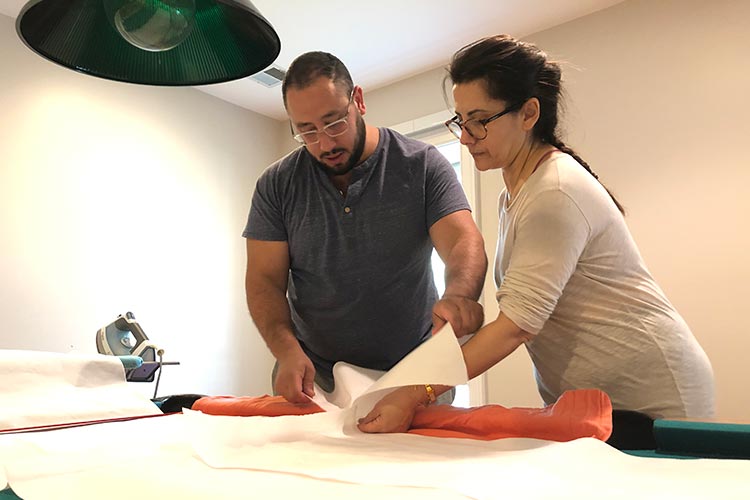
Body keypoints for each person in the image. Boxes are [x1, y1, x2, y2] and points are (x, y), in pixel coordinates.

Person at [358, 35, 715, 437]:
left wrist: (413, 394)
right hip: (593, 400)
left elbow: (516, 326)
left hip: (647, 397)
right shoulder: (517, 193)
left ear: (528, 114)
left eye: (479, 121)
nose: (465, 136)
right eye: (461, 120)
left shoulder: (554, 191)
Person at [243, 51, 487, 404]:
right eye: (307, 131)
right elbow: (264, 281)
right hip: (315, 375)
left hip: (414, 371)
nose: (324, 143)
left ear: (357, 100)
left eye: (333, 123)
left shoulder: (422, 165)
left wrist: (459, 296)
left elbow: (463, 239)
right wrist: (285, 349)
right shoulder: (276, 184)